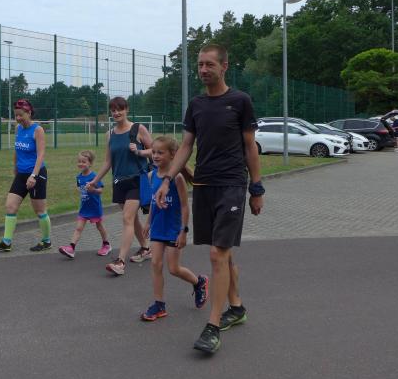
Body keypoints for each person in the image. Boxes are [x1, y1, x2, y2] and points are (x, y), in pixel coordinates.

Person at [154, 44, 264, 354]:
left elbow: (250, 147)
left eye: (209, 64)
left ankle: (213, 326)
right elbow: (186, 146)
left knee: (217, 254)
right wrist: (166, 179)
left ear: (224, 66)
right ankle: (236, 307)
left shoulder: (240, 101)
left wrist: (256, 188)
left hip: (231, 185)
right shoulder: (196, 105)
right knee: (223, 253)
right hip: (203, 185)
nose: (203, 69)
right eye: (200, 64)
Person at [140, 136, 208, 322]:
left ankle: (199, 282)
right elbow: (153, 202)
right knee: (155, 264)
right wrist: (148, 222)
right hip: (157, 228)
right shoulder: (152, 175)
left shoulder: (177, 178)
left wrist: (183, 231)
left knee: (173, 268)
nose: (155, 156)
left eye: (160, 153)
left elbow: (185, 207)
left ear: (173, 155)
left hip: (173, 229)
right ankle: (159, 305)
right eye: (153, 152)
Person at [86, 97, 152, 276]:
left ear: (127, 109)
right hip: (119, 182)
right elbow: (108, 161)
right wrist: (95, 181)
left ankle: (120, 261)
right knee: (132, 219)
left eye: (119, 109)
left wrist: (139, 151)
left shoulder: (138, 129)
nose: (116, 113)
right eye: (113, 110)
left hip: (137, 180)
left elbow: (155, 151)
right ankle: (146, 248)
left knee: (127, 218)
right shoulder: (110, 134)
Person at [0, 99, 52, 252]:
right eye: (15, 115)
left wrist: (33, 176)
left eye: (20, 115)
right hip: (21, 173)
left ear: (29, 113)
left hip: (36, 174)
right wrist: (15, 167)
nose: (18, 118)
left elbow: (41, 155)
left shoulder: (38, 130)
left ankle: (46, 241)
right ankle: (6, 242)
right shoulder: (18, 129)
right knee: (10, 206)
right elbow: (17, 150)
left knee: (40, 211)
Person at [58, 150, 112, 258]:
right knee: (78, 228)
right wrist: (81, 190)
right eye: (79, 161)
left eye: (84, 162)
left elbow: (100, 190)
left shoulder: (94, 176)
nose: (81, 164)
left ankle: (106, 245)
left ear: (90, 163)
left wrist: (93, 190)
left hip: (94, 207)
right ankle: (71, 248)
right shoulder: (79, 177)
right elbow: (79, 187)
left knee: (100, 226)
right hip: (84, 208)